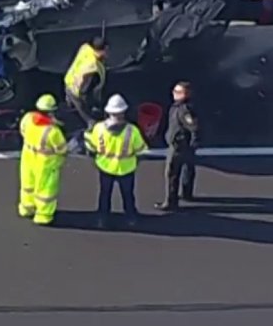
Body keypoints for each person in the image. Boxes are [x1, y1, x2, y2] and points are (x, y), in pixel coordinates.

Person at [84, 93, 148, 229]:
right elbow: (142, 150)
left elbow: (91, 146)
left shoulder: (99, 128)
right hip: (126, 168)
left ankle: (102, 219)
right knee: (128, 195)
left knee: (104, 195)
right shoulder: (132, 131)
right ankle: (131, 218)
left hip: (105, 166)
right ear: (123, 112)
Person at [18, 94, 68, 225]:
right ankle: (43, 215)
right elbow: (62, 149)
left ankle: (26, 208)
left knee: (27, 184)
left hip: (28, 156)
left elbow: (22, 131)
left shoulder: (28, 118)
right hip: (46, 163)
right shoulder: (53, 131)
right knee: (45, 189)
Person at [155, 81, 199, 211]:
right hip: (183, 145)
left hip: (179, 146)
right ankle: (187, 193)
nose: (175, 94)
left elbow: (194, 127)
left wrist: (191, 143)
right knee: (188, 169)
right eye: (175, 91)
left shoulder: (183, 110)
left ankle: (170, 201)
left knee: (172, 173)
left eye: (179, 92)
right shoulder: (179, 107)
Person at [63, 37, 108, 129]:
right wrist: (83, 96)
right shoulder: (92, 66)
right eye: (106, 50)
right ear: (102, 50)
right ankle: (92, 126)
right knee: (86, 111)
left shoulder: (85, 48)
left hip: (69, 81)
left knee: (71, 100)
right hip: (77, 90)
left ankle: (70, 105)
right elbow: (85, 82)